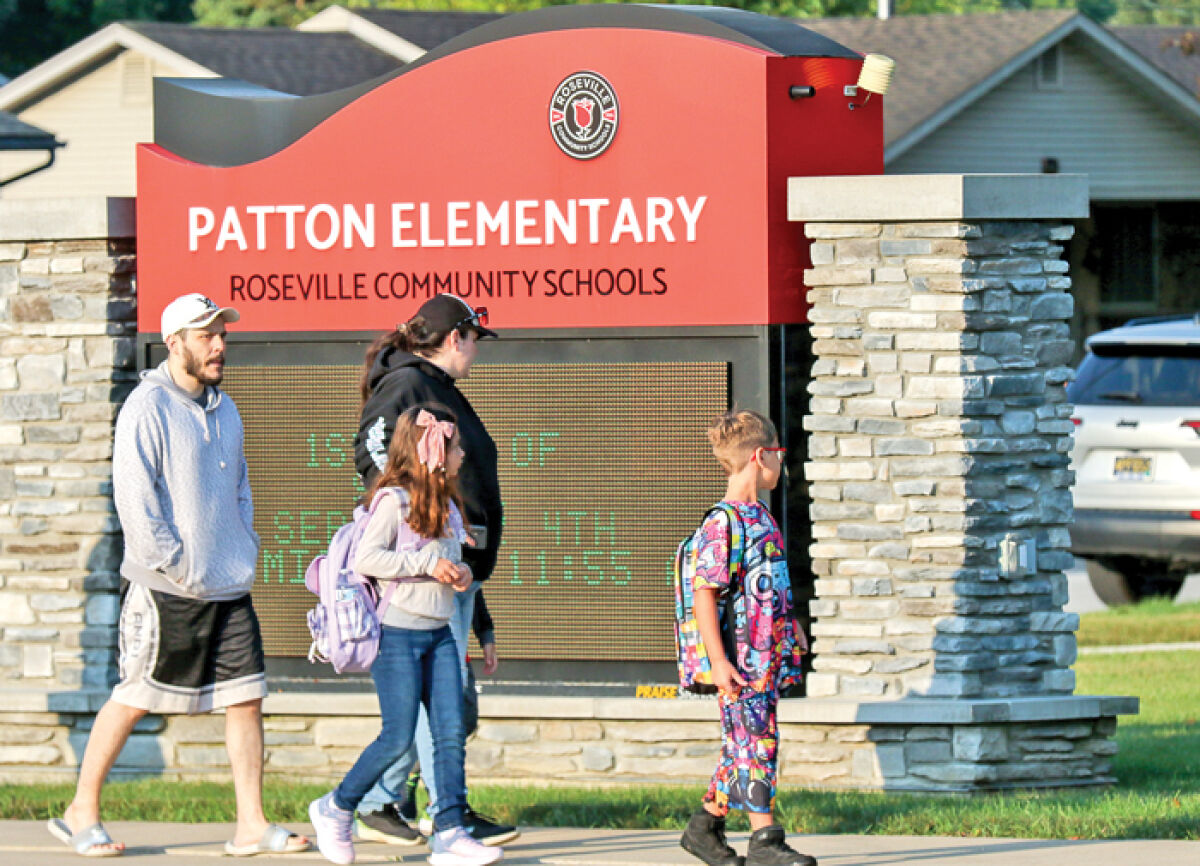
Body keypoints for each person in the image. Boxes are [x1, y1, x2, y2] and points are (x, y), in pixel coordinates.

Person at [47, 293, 310, 858]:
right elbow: (136, 503)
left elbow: (240, 488)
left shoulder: (227, 408)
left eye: (222, 333)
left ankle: (250, 824)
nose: (219, 344)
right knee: (135, 695)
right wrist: (178, 563)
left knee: (245, 699)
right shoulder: (147, 408)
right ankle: (80, 811)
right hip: (168, 589)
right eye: (206, 334)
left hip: (229, 584)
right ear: (175, 343)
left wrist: (243, 546)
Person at [351, 294, 517, 847]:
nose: (475, 352)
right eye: (473, 340)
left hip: (454, 570)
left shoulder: (438, 389)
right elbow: (371, 449)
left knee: (453, 709)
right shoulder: (406, 387)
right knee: (440, 708)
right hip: (427, 575)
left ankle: (388, 802)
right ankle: (444, 815)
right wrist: (417, 515)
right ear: (455, 338)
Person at [308, 406, 501, 866]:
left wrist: (456, 576)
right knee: (397, 738)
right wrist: (424, 564)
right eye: (454, 447)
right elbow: (368, 560)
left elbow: (446, 563)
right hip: (397, 637)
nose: (461, 454)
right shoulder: (393, 501)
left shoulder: (449, 505)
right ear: (432, 450)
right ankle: (335, 807)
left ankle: (450, 832)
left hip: (440, 635)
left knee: (450, 733)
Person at [679, 410, 814, 866]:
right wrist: (718, 661)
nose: (783, 464)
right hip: (739, 661)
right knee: (758, 739)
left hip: (766, 655)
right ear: (761, 456)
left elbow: (767, 582)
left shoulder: (762, 518)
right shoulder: (725, 522)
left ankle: (704, 828)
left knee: (743, 741)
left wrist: (788, 620)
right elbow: (704, 593)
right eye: (780, 455)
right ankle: (766, 842)